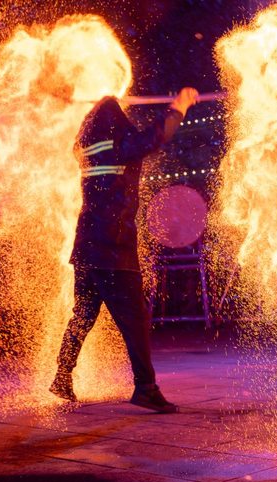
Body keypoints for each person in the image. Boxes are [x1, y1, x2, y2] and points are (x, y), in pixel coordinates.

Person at [49, 88, 199, 413]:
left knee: (83, 315)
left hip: (86, 248)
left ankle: (62, 376)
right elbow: (154, 137)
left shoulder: (87, 149)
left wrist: (104, 103)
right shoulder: (119, 146)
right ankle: (145, 388)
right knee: (135, 322)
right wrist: (179, 106)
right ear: (116, 124)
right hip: (113, 250)